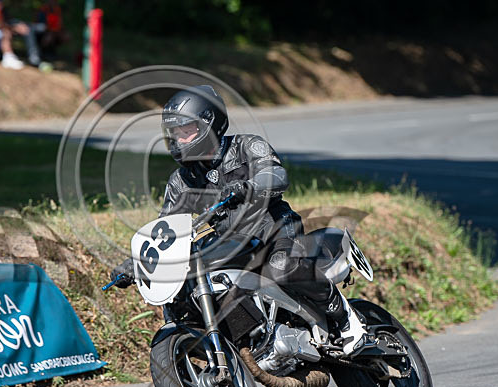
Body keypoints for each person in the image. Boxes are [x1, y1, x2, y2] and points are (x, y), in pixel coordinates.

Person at [109, 85, 367, 356]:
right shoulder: (181, 180)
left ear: (211, 123)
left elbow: (277, 176)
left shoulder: (246, 145)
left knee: (281, 266)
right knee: (196, 284)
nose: (180, 140)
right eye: (175, 134)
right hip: (231, 241)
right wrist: (136, 264)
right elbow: (165, 231)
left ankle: (344, 318)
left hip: (273, 227)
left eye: (187, 131)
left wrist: (249, 187)